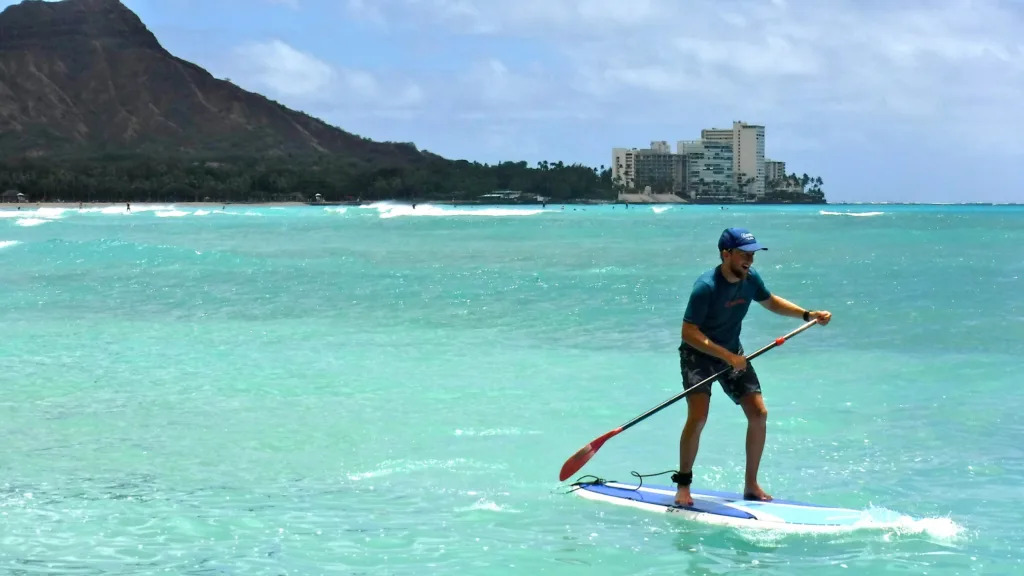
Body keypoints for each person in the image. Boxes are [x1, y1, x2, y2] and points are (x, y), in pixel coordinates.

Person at [673, 227, 831, 507]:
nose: (750, 260)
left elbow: (770, 302)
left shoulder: (751, 279)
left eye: (753, 254)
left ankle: (751, 485)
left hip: (733, 353)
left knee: (758, 413)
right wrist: (725, 355)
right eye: (744, 254)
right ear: (726, 254)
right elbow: (689, 333)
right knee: (698, 417)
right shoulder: (705, 286)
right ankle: (683, 486)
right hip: (699, 355)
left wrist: (807, 314)